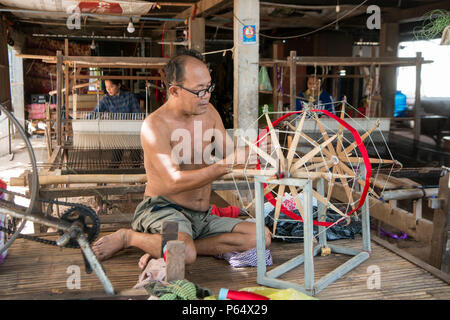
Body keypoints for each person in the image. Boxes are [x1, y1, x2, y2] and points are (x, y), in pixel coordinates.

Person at [92, 50, 271, 266]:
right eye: (199, 91)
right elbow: (173, 181)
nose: (207, 95)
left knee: (260, 237)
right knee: (183, 254)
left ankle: (164, 246)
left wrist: (256, 150)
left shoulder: (209, 112)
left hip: (202, 217)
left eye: (209, 87)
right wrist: (225, 165)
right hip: (165, 210)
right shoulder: (155, 125)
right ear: (175, 90)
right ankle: (128, 237)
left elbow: (230, 153)